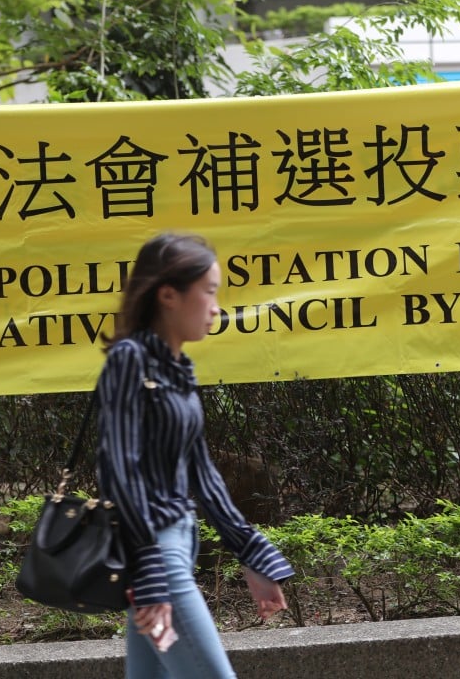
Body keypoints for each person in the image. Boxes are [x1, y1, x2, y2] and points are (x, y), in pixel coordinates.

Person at [95, 232, 294, 679]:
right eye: (208, 292)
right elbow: (116, 469)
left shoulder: (177, 366)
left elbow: (201, 473)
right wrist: (147, 568)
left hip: (173, 547)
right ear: (168, 294)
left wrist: (251, 552)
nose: (216, 307)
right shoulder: (130, 360)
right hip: (157, 558)